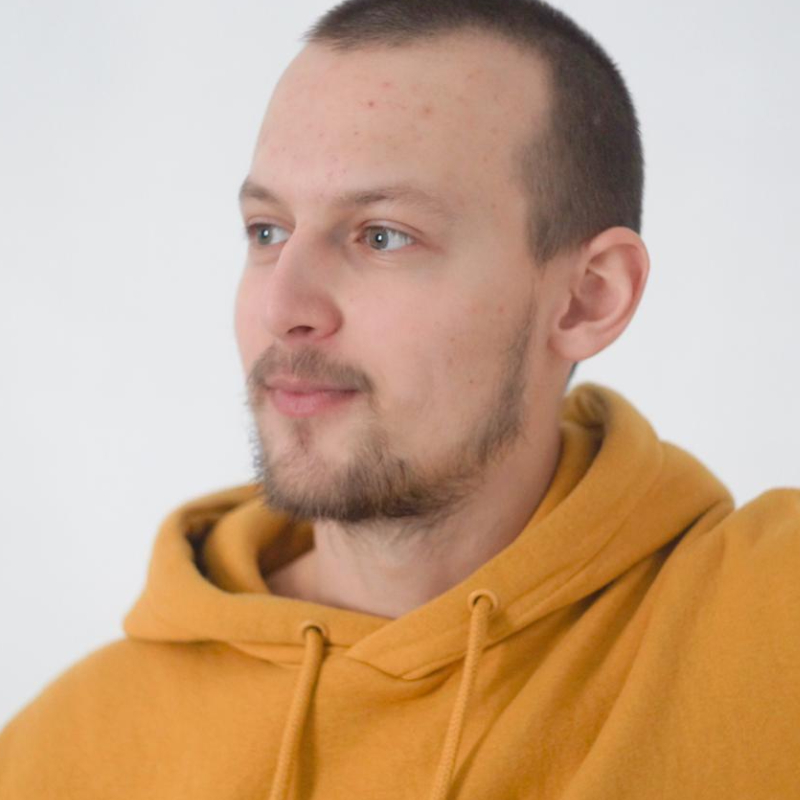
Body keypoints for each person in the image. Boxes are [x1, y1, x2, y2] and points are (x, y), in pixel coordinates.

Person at [1, 0, 798, 797]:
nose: (283, 307)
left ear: (588, 297)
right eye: (267, 231)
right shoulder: (61, 756)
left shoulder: (769, 624)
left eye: (382, 235)